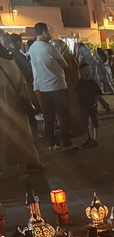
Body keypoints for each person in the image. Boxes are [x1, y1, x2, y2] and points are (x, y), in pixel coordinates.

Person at [28, 22, 77, 151]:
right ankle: (67, 143)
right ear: (44, 32)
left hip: (44, 88)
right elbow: (64, 64)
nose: (49, 34)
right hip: (58, 86)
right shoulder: (50, 48)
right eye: (48, 31)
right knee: (63, 116)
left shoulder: (32, 49)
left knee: (48, 117)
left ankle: (51, 143)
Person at [0, 42, 42, 172]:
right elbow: (23, 83)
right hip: (17, 104)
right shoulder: (11, 60)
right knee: (23, 133)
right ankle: (32, 161)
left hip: (4, 107)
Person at [75, 63, 101, 147]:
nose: (89, 71)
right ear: (81, 71)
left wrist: (95, 102)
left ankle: (95, 139)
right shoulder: (79, 83)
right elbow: (76, 94)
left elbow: (97, 94)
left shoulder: (93, 83)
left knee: (94, 122)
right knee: (84, 123)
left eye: (89, 69)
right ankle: (90, 137)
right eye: (86, 69)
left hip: (91, 105)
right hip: (83, 106)